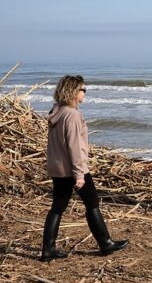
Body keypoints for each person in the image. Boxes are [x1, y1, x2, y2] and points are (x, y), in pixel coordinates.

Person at [41, 75, 129, 262]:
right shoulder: (72, 115)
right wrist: (79, 174)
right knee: (92, 202)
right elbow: (74, 146)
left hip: (58, 168)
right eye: (83, 90)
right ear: (73, 91)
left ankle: (48, 249)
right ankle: (105, 243)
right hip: (73, 168)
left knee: (58, 206)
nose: (84, 93)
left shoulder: (57, 111)